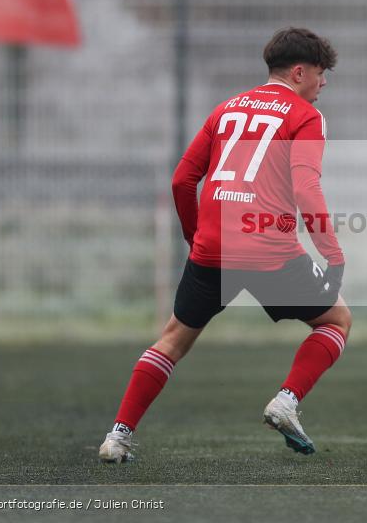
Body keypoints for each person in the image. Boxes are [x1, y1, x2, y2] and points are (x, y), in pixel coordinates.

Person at [99, 28, 351, 461]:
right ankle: (287, 400)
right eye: (321, 73)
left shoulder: (226, 109)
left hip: (212, 248)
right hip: (269, 250)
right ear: (298, 72)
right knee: (337, 320)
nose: (323, 82)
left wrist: (194, 235)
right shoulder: (306, 115)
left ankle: (117, 436)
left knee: (172, 340)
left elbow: (182, 179)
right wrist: (332, 251)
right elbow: (308, 188)